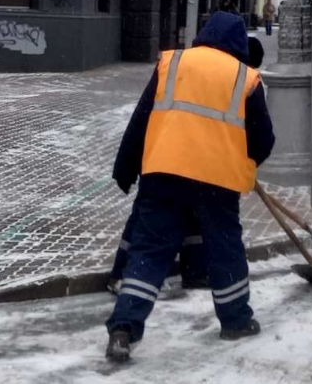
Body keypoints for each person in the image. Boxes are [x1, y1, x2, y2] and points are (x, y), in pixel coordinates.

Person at [105, 12, 275, 363]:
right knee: (224, 247)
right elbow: (263, 139)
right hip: (217, 180)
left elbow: (141, 117)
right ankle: (236, 321)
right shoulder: (246, 78)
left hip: (163, 172)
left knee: (149, 251)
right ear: (239, 44)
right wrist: (247, 163)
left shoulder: (173, 62)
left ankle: (124, 327)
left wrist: (125, 168)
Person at [106, 37, 266, 294]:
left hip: (169, 160)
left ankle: (194, 272)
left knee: (185, 216)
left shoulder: (194, 67)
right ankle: (123, 275)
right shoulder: (223, 75)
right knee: (148, 224)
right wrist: (126, 166)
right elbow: (143, 119)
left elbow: (142, 118)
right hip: (171, 159)